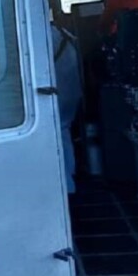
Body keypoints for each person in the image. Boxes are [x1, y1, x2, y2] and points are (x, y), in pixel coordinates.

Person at [52, 24, 82, 193]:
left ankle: (67, 184)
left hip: (60, 92)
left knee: (60, 131)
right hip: (71, 91)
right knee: (64, 130)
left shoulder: (41, 35)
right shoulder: (62, 32)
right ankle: (69, 176)